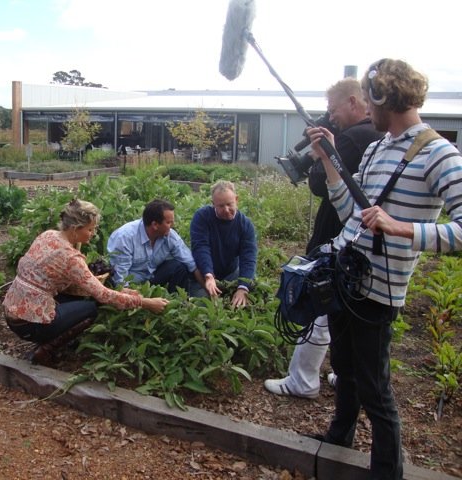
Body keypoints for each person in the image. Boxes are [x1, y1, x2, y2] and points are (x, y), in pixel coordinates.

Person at [308, 59, 462, 479]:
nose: (365, 110)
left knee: (377, 391)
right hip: (345, 276)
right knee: (344, 369)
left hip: (380, 290)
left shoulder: (438, 153)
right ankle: (340, 437)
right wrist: (327, 158)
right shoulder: (377, 147)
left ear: (381, 97)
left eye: (369, 98)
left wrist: (401, 227)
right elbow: (349, 213)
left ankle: (386, 472)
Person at [264, 78, 383, 398]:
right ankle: (349, 376)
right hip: (363, 236)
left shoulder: (354, 137)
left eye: (333, 110)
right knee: (347, 312)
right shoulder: (377, 138)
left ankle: (302, 380)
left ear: (355, 103)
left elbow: (319, 184)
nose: (331, 117)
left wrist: (319, 157)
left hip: (336, 233)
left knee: (317, 306)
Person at [3, 199, 169, 365]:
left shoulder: (48, 236)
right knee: (91, 308)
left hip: (12, 313)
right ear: (76, 229)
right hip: (30, 324)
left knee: (83, 298)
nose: (93, 233)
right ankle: (45, 350)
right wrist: (146, 302)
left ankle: (52, 339)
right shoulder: (71, 257)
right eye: (90, 229)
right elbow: (104, 296)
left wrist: (100, 286)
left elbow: (61, 280)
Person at [107, 198, 205, 293]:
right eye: (168, 222)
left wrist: (209, 289)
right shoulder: (125, 237)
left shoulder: (169, 236)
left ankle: (178, 303)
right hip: (131, 285)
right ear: (155, 225)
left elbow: (191, 264)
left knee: (179, 267)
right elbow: (120, 281)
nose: (173, 225)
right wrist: (141, 301)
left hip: (152, 277)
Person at [189, 180, 258, 308]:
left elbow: (248, 256)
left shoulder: (245, 224)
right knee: (202, 303)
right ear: (213, 204)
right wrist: (208, 275)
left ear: (236, 200)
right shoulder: (202, 217)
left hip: (231, 273)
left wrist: (243, 288)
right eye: (221, 206)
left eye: (229, 204)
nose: (226, 210)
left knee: (251, 283)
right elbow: (200, 247)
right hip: (204, 275)